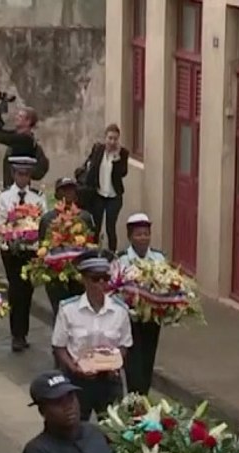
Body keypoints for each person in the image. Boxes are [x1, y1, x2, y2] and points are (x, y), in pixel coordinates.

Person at [51, 251, 131, 421]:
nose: (101, 284)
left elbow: (124, 344)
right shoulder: (68, 309)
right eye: (95, 279)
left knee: (113, 432)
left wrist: (115, 364)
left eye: (105, 278)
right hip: (77, 381)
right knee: (75, 431)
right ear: (84, 280)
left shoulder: (120, 310)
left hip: (109, 381)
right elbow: (59, 346)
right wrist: (74, 368)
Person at [0, 156, 46, 352]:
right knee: (16, 290)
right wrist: (13, 230)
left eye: (26, 174)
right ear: (14, 174)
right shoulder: (4, 198)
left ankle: (23, 332)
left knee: (27, 291)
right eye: (19, 174)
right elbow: (0, 224)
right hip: (11, 251)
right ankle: (17, 334)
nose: (23, 178)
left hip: (31, 251)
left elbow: (43, 222)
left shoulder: (37, 198)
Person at [117, 213, 166, 395]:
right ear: (130, 237)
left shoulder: (159, 258)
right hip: (130, 319)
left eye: (146, 234)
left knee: (148, 359)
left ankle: (143, 397)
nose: (143, 238)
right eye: (138, 234)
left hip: (152, 318)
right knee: (133, 361)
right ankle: (133, 396)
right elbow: (116, 288)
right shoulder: (122, 259)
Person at [39, 178, 96, 308]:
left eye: (71, 190)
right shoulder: (47, 219)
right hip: (56, 274)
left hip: (79, 273)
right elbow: (42, 247)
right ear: (57, 194)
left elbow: (92, 243)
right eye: (64, 190)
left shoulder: (85, 217)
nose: (68, 193)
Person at [80, 124, 130, 252]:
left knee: (110, 228)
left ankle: (112, 254)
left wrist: (117, 158)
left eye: (115, 139)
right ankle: (94, 251)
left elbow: (123, 173)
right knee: (95, 226)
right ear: (105, 137)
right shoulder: (98, 149)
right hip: (98, 194)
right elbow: (89, 166)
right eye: (110, 138)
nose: (112, 142)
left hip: (114, 196)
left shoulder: (122, 153)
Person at [0, 101, 46, 187]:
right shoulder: (19, 136)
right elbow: (1, 131)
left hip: (18, 187)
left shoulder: (25, 139)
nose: (16, 117)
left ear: (28, 122)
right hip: (11, 185)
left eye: (20, 116)